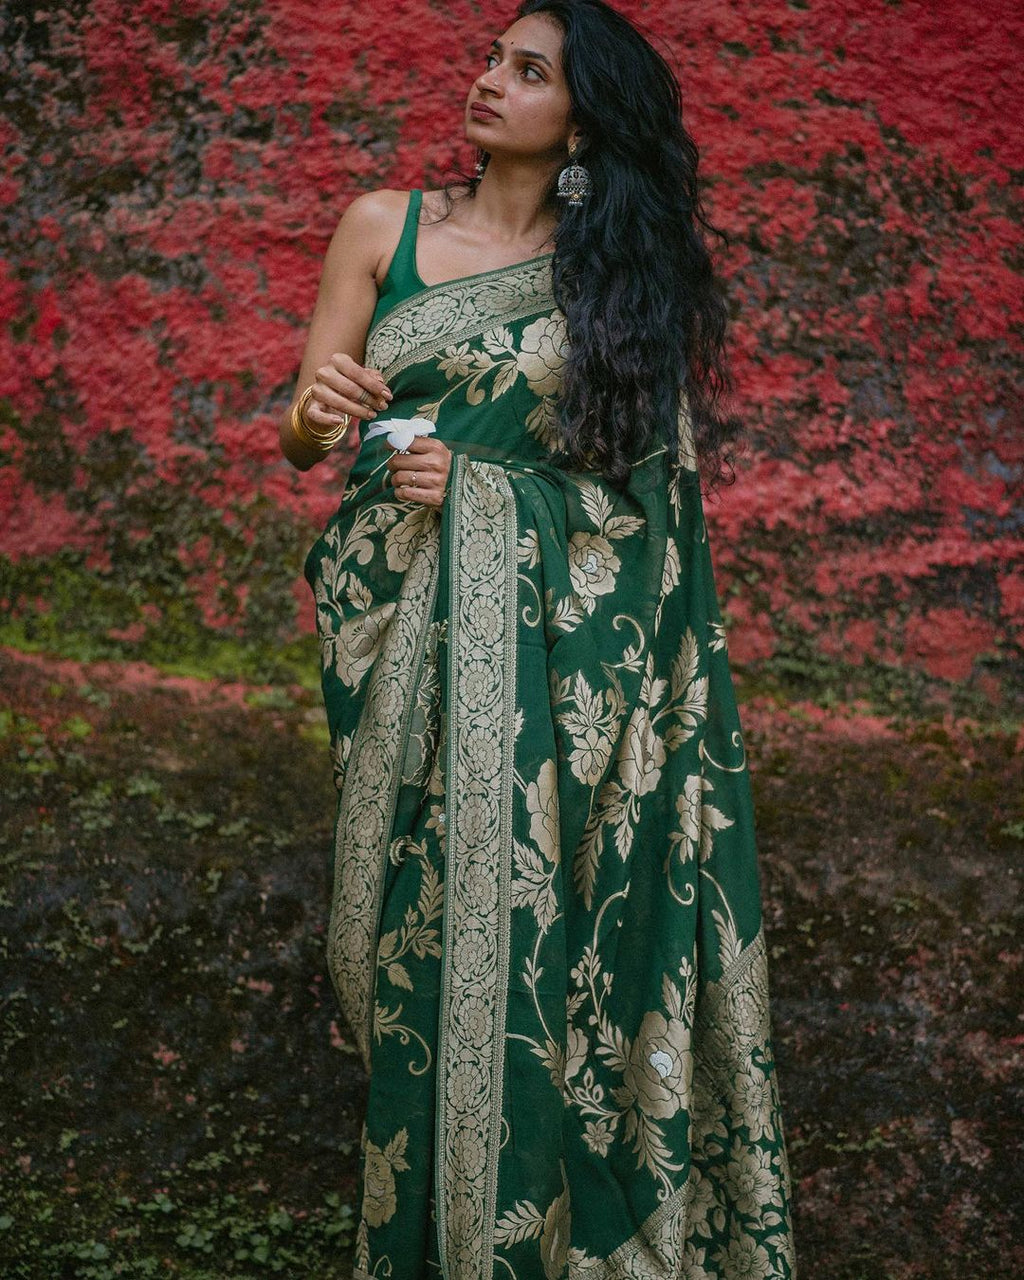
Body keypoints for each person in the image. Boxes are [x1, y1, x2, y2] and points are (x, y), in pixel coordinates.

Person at [280, 1, 797, 1276]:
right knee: (405, 948)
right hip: (395, 632)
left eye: (527, 71)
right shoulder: (378, 225)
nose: (487, 83)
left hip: (542, 679)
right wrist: (313, 407)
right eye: (490, 59)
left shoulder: (612, 280)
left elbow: (645, 520)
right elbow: (307, 430)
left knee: (522, 952)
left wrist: (494, 495)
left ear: (583, 116)